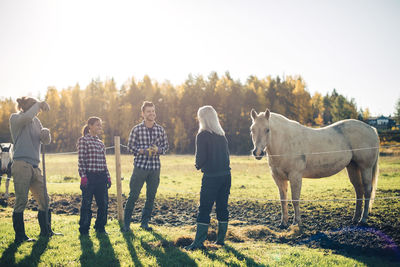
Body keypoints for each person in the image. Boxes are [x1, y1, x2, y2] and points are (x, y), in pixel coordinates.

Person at [9, 96, 58, 243]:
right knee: (21, 201)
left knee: (45, 200)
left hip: (35, 167)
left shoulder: (36, 121)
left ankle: (46, 231)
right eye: (36, 110)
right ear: (29, 108)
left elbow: (45, 141)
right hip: (21, 164)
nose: (37, 114)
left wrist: (46, 134)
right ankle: (20, 236)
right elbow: (27, 117)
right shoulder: (16, 118)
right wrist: (39, 104)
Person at [185, 105, 231, 250]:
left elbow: (200, 159)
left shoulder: (202, 135)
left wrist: (197, 165)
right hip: (226, 176)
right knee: (222, 208)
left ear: (202, 118)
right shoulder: (221, 135)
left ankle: (198, 243)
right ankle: (221, 240)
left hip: (211, 177)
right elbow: (227, 157)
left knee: (204, 208)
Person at [122, 101, 169, 232]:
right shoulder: (136, 129)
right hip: (140, 167)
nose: (152, 113)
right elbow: (130, 147)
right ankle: (126, 225)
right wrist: (142, 151)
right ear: (143, 114)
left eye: (153, 111)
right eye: (149, 111)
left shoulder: (160, 129)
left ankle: (144, 223)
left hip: (155, 168)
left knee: (151, 196)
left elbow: (166, 147)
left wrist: (158, 150)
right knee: (133, 195)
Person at [77, 117, 111, 235]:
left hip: (101, 177)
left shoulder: (100, 143)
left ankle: (100, 228)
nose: (99, 127)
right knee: (86, 204)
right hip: (90, 177)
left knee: (103, 204)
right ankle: (84, 229)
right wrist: (83, 176)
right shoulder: (83, 140)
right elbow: (81, 160)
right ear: (90, 126)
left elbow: (104, 162)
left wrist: (108, 176)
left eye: (100, 125)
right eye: (97, 125)